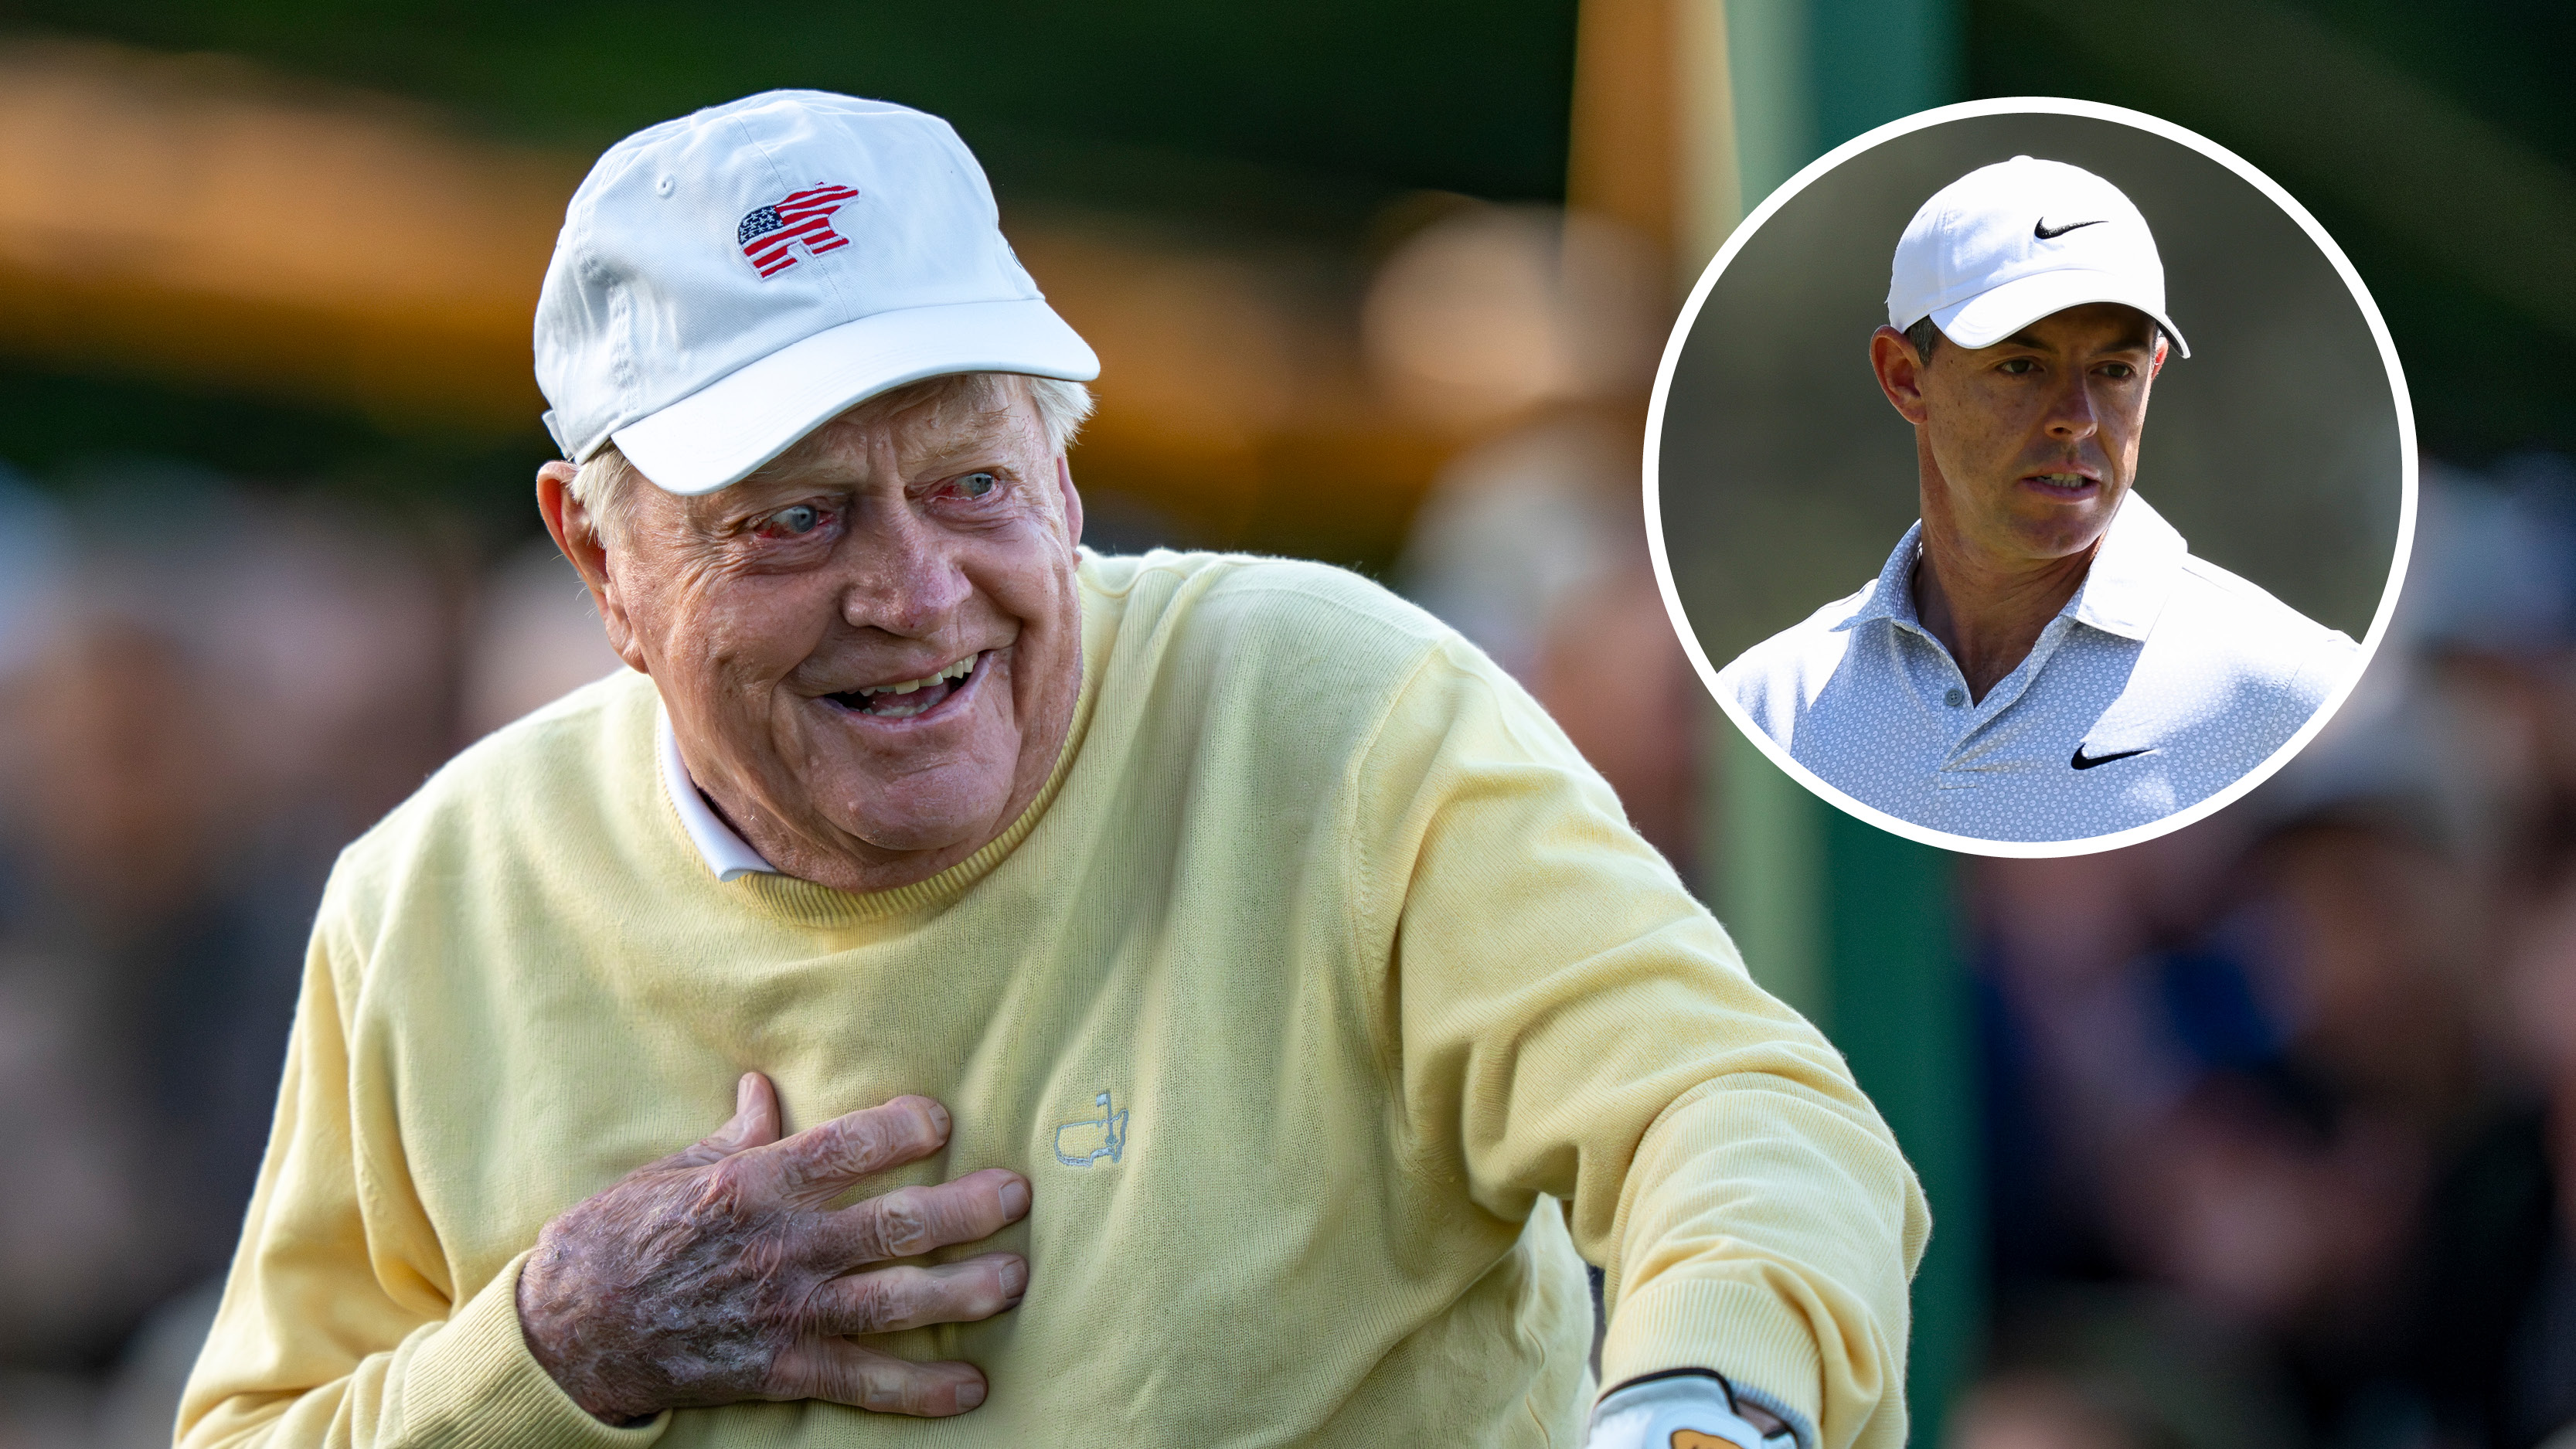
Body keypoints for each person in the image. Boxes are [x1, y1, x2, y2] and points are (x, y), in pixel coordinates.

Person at [178, 91, 1924, 1449]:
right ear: (597, 561)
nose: (911, 589)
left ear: (1068, 482)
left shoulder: (1327, 707)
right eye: (794, 516)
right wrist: (554, 1346)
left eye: (970, 483)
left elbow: (1742, 1112)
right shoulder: (434, 900)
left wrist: (1702, 1405)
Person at [1717, 156, 2360, 845]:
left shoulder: (2296, 691)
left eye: (2114, 371)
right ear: (1904, 376)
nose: (2076, 418)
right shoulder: (1766, 702)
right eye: (2020, 366)